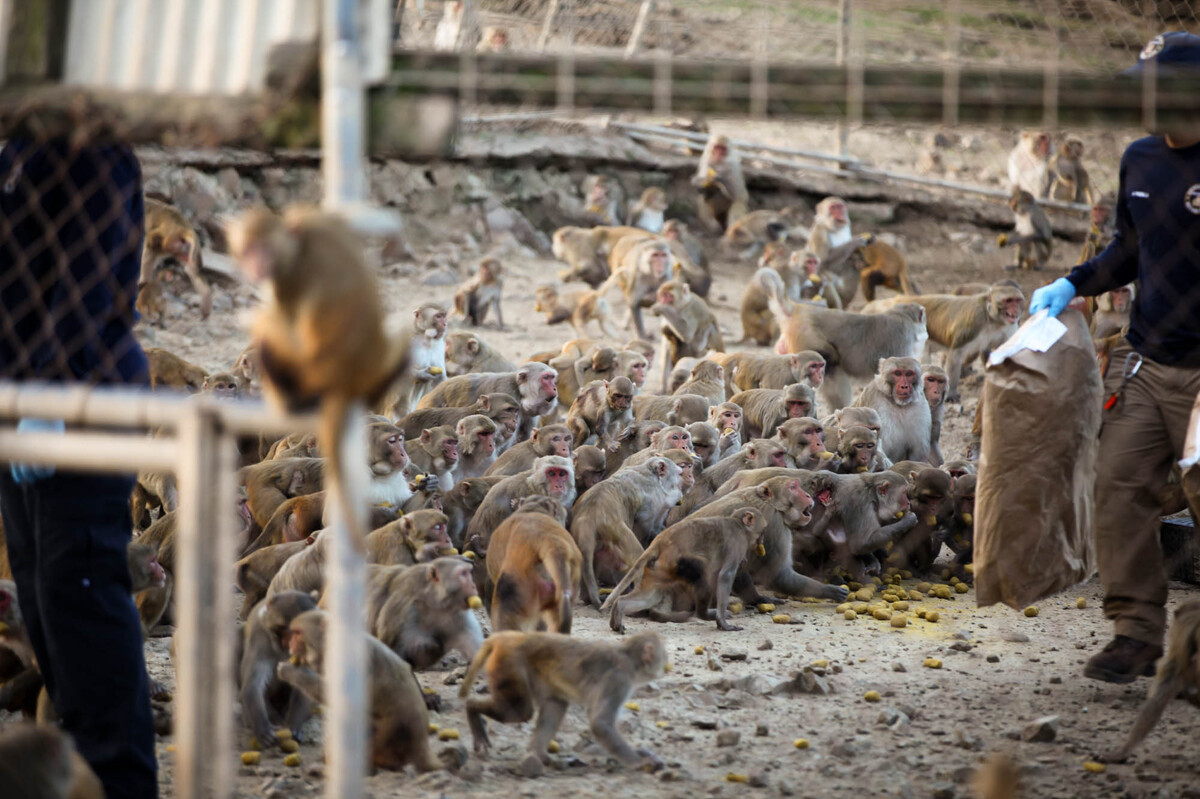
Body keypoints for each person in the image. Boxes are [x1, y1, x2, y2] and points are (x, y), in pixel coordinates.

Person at [1030, 31, 1200, 684]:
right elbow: (1129, 247)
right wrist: (1073, 283)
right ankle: (1136, 631)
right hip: (1148, 360)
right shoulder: (1141, 160)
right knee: (1118, 484)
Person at [0, 135, 158, 797]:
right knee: (41, 593)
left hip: (78, 398)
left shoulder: (87, 150)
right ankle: (80, 771)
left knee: (81, 590)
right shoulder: (17, 152)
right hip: (18, 397)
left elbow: (85, 289)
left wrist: (50, 394)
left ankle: (119, 779)